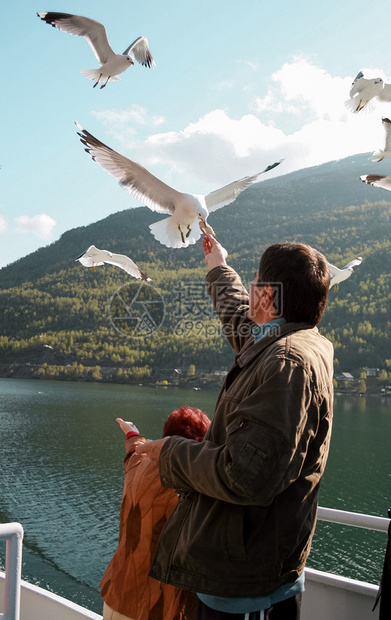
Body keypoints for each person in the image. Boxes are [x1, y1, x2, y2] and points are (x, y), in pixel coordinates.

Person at [136, 237, 334, 620]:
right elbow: (241, 318)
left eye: (256, 279)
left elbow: (242, 475)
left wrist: (169, 452)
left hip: (249, 589)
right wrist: (216, 264)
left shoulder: (287, 364)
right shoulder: (286, 340)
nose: (252, 284)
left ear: (270, 297)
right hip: (242, 576)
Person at [100, 405, 211, 620]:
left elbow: (135, 446)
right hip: (159, 609)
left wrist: (131, 431)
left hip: (118, 596)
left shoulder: (138, 463)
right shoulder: (197, 487)